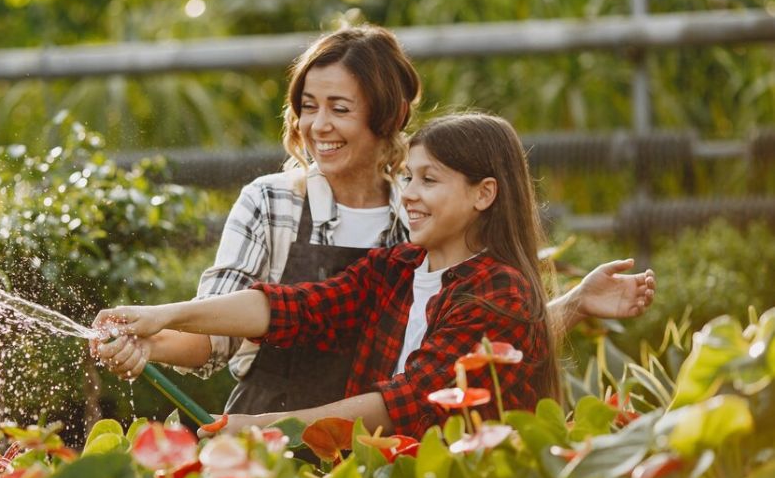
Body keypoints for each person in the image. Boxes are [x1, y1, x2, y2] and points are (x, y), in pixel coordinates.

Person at [90, 25, 655, 417]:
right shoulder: (272, 202)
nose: (319, 126)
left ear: (387, 115)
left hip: (372, 437)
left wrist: (574, 303)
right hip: (267, 423)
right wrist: (149, 340)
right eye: (308, 106)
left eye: (340, 108)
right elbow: (230, 331)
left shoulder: (416, 224)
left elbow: (465, 350)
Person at [93, 113, 566, 436]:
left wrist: (257, 428)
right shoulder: (397, 268)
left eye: (429, 180)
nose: (411, 194)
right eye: (408, 178)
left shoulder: (499, 290)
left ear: (484, 194)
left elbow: (403, 404)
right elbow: (294, 308)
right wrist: (161, 316)